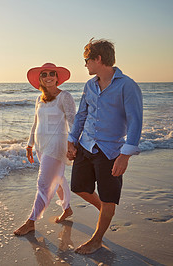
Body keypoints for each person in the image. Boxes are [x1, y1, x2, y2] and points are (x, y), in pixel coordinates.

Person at [67, 38, 143, 254]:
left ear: (98, 59)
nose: (85, 65)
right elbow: (82, 114)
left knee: (109, 197)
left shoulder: (128, 85)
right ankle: (105, 211)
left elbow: (136, 121)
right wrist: (72, 140)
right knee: (79, 187)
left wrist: (125, 155)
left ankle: (97, 238)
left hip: (111, 151)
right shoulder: (89, 85)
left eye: (87, 60)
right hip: (86, 145)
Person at [14, 63, 76, 236]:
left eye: (52, 74)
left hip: (57, 145)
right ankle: (67, 208)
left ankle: (31, 222)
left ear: (57, 77)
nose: (48, 77)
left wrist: (73, 144)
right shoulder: (39, 99)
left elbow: (73, 121)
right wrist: (29, 144)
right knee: (58, 179)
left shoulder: (65, 96)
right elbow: (36, 122)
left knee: (43, 183)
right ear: (40, 79)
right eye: (44, 74)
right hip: (41, 145)